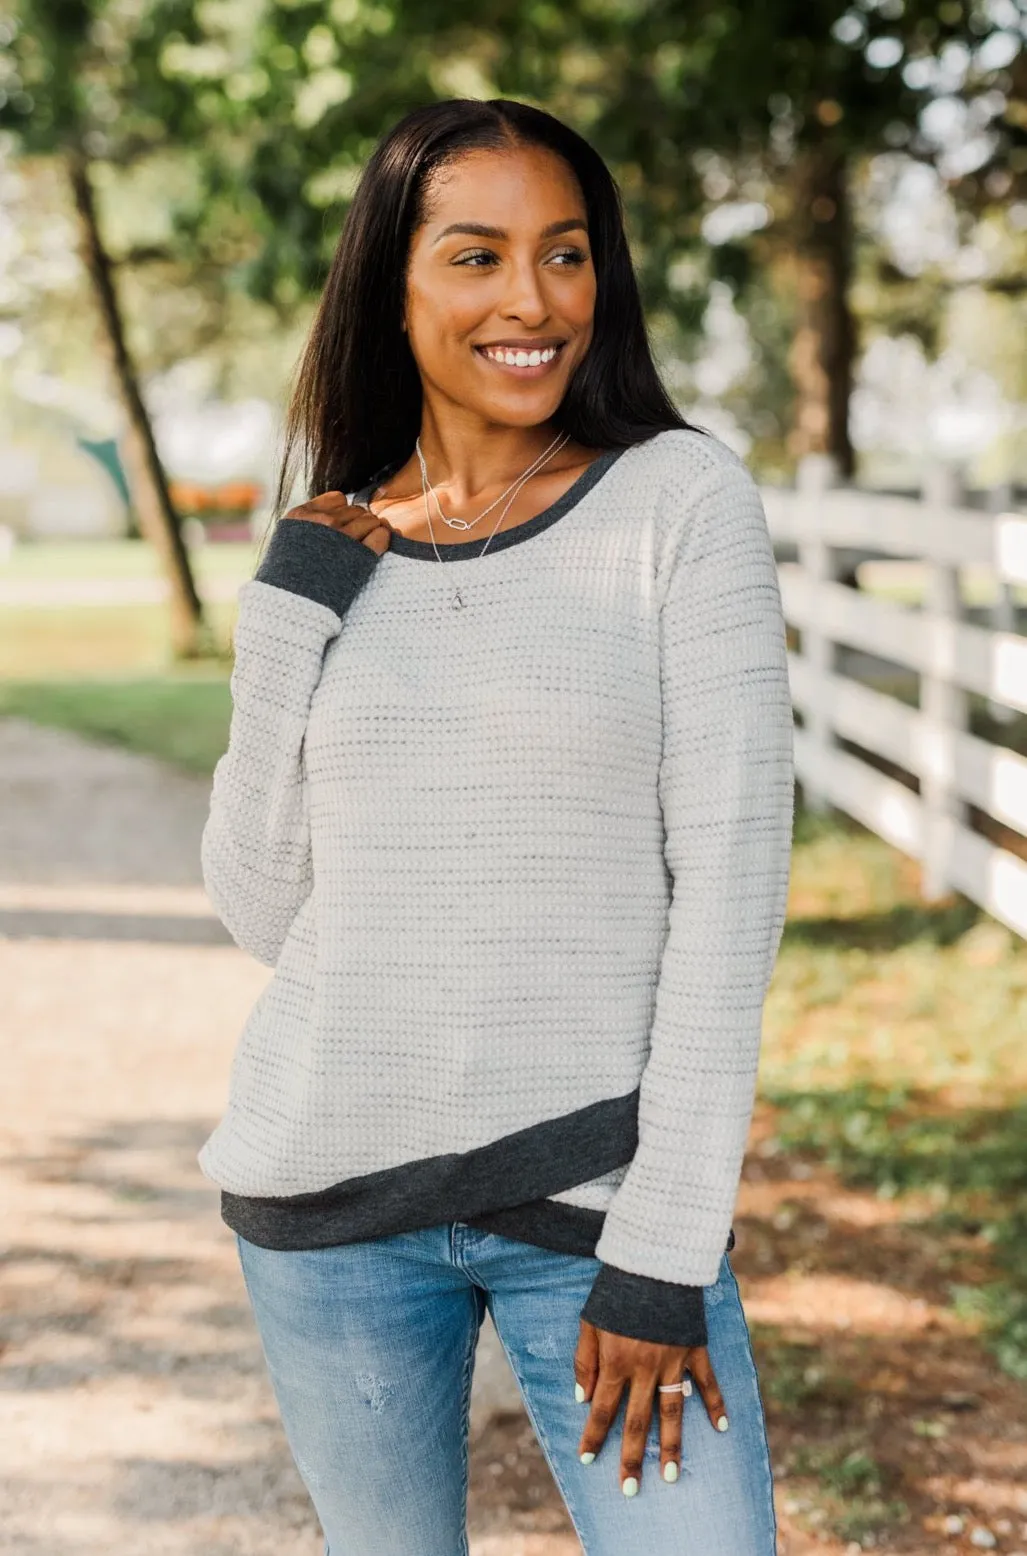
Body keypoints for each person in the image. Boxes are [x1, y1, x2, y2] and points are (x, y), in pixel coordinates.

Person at [198, 96, 795, 1556]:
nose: (531, 301)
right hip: (324, 1202)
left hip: (596, 1205)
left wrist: (663, 1249)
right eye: (475, 257)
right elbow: (263, 907)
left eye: (566, 254)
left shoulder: (677, 502)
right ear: (390, 288)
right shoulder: (334, 545)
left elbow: (729, 891)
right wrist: (284, 632)